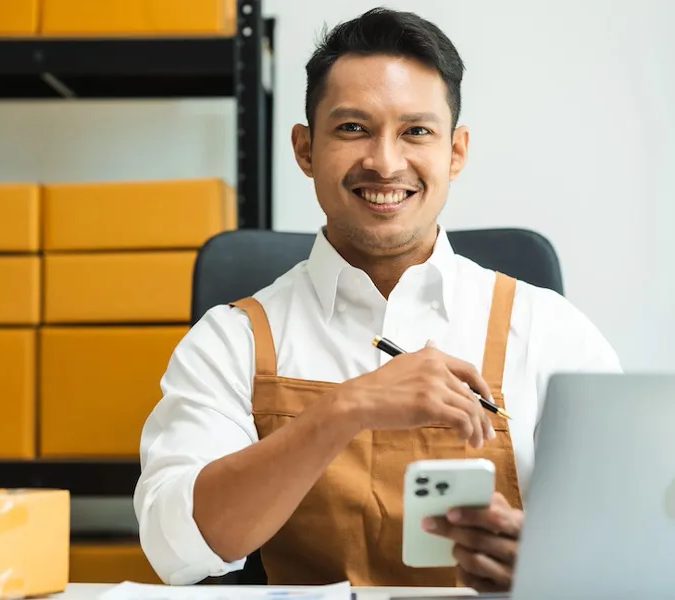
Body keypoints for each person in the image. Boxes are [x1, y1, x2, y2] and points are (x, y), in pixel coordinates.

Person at [133, 7, 621, 592]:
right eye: (352, 129)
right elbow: (176, 548)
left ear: (455, 152)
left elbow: (630, 538)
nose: (385, 163)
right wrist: (346, 410)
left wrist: (556, 567)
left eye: (416, 131)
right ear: (305, 149)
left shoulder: (550, 330)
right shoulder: (230, 339)